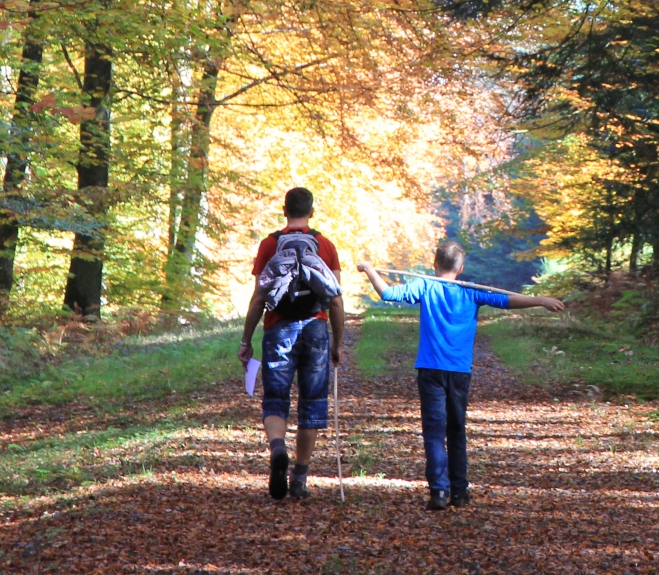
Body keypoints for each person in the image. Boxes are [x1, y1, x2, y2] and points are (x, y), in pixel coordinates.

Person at [357, 242, 564, 510]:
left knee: (434, 433)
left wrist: (369, 269)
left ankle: (439, 493)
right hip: (459, 373)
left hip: (431, 370)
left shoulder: (426, 286)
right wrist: (540, 301)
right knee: (456, 431)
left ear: (434, 264)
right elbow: (507, 302)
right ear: (461, 268)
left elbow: (387, 293)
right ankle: (459, 492)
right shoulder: (470, 290)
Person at [240, 187, 344, 501]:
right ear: (311, 212)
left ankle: (277, 448)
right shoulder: (325, 245)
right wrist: (338, 344)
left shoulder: (269, 244)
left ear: (284, 210)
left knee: (275, 398)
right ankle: (299, 478)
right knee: (312, 402)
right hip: (315, 328)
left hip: (278, 327)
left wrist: (246, 340)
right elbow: (336, 300)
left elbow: (259, 298)